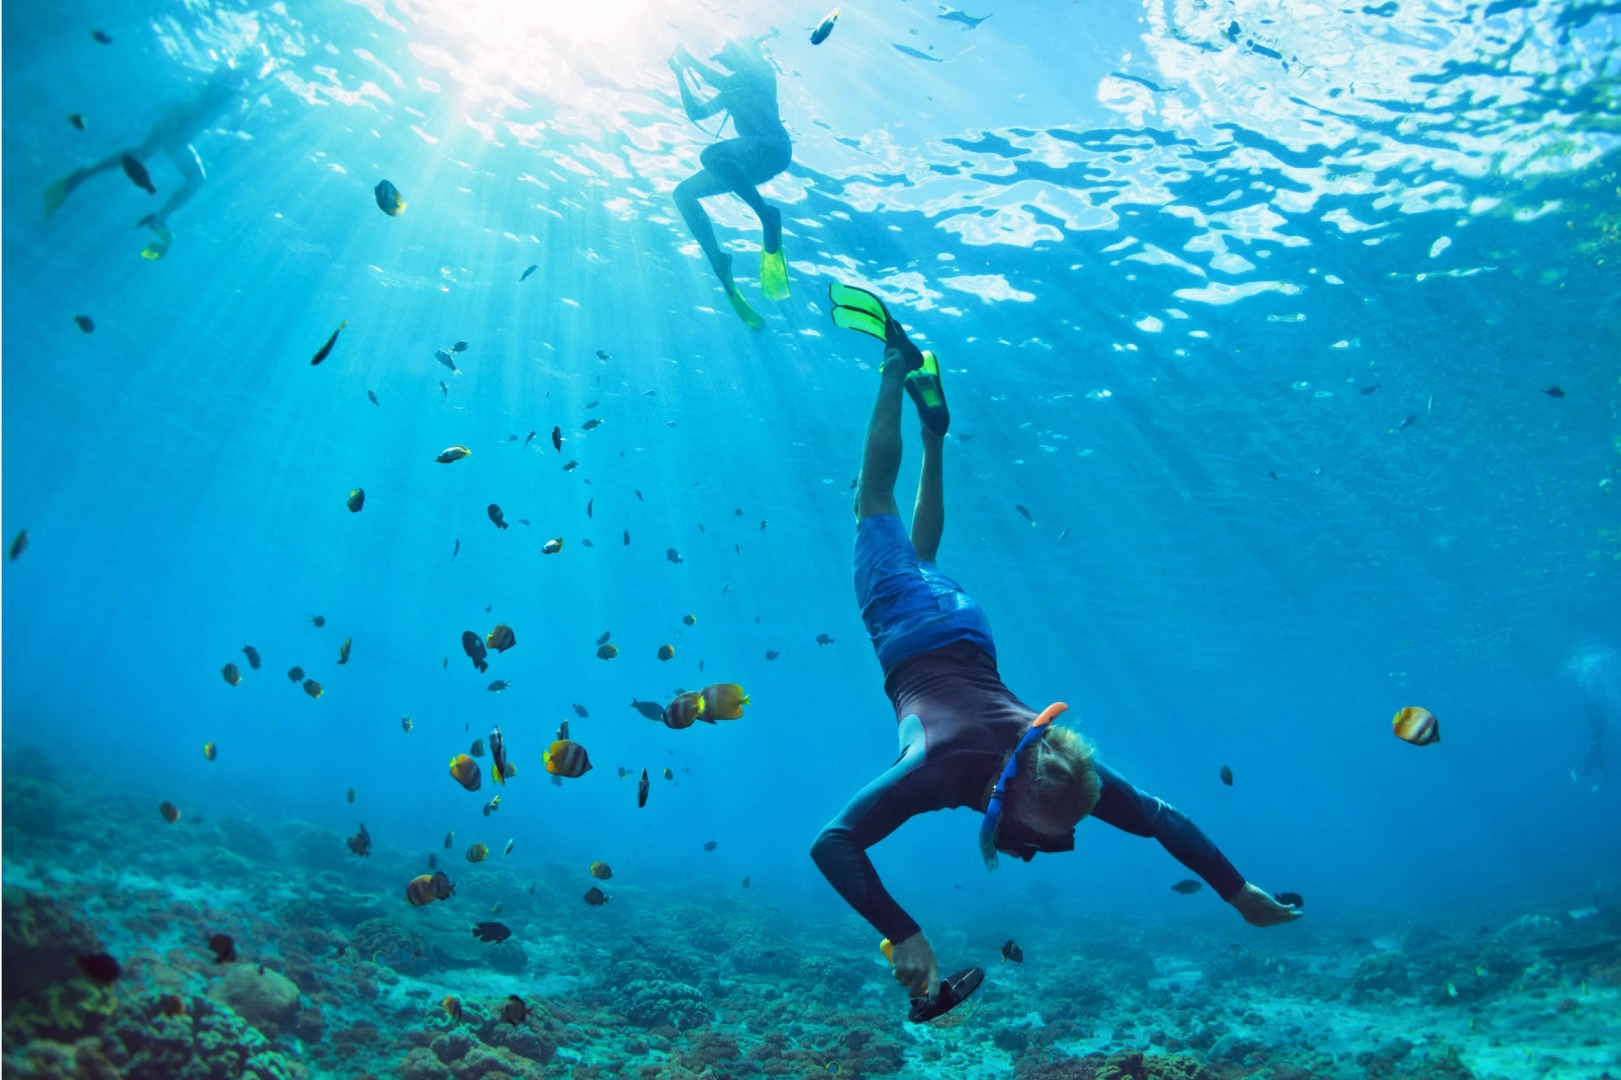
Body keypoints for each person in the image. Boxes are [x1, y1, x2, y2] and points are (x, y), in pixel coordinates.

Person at [810, 283, 1302, 1008]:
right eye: (1030, 835)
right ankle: (892, 363)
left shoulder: (1055, 776)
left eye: (1049, 842)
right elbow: (831, 843)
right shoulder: (944, 768)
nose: (1032, 849)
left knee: (921, 555)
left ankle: (935, 436)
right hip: (912, 632)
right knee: (871, 506)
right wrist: (902, 930)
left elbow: (1164, 821)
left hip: (966, 626)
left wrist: (1240, 894)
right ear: (1006, 793)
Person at [43, 60, 260, 258]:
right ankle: (86, 173)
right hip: (175, 122)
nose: (248, 78)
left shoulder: (237, 93)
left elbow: (234, 124)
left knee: (194, 177)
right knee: (146, 152)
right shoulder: (230, 81)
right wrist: (249, 99)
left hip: (181, 135)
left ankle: (159, 219)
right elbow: (230, 117)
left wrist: (249, 100)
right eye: (252, 73)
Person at [667, 38, 792, 331]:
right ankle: (717, 258)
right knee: (683, 193)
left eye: (728, 56)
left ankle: (766, 214)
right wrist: (680, 75)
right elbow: (697, 113)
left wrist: (688, 59)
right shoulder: (731, 87)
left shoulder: (761, 70)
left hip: (772, 148)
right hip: (749, 162)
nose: (725, 61)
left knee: (710, 155)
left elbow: (717, 79)